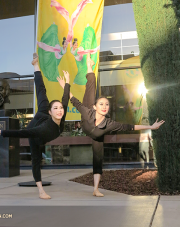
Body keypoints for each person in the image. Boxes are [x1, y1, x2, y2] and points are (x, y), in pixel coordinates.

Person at [69, 54, 165, 197]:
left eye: (107, 104)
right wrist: (65, 86)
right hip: (87, 121)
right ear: (96, 107)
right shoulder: (88, 111)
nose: (105, 106)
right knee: (90, 87)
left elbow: (129, 127)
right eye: (101, 104)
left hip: (97, 136)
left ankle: (95, 189)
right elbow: (75, 101)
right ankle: (89, 65)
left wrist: (151, 127)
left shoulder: (109, 124)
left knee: (98, 159)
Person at [0, 53, 70, 200]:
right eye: (55, 108)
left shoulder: (61, 114)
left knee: (41, 90)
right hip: (35, 129)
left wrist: (66, 83)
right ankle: (41, 190)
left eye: (60, 108)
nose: (59, 110)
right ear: (51, 111)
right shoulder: (43, 129)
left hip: (43, 115)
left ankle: (35, 65)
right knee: (36, 160)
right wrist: (1, 132)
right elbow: (23, 133)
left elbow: (65, 98)